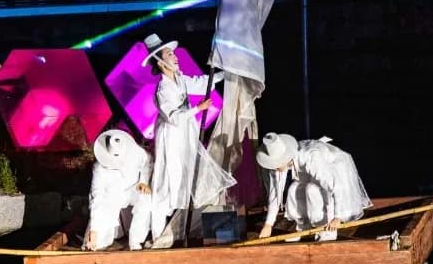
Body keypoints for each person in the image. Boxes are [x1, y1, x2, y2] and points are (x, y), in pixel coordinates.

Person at [142, 34, 236, 248]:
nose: (175, 57)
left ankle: (183, 228)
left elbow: (204, 83)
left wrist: (226, 74)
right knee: (168, 182)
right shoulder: (163, 89)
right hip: (173, 137)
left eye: (174, 53)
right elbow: (173, 117)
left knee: (189, 177)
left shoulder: (180, 79)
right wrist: (197, 108)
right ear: (160, 61)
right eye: (170, 54)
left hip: (186, 135)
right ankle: (158, 236)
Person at [256, 133, 372, 242]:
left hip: (333, 169)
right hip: (308, 172)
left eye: (276, 164)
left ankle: (325, 229)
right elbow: (275, 193)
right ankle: (304, 226)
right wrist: (268, 225)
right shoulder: (278, 166)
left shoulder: (311, 157)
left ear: (286, 158)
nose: (274, 168)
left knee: (312, 190)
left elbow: (335, 186)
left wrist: (337, 217)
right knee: (293, 188)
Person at [83, 129, 153, 251]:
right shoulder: (99, 169)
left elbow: (147, 161)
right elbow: (97, 197)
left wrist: (143, 181)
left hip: (133, 190)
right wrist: (94, 230)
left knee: (146, 199)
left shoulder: (137, 153)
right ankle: (98, 238)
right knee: (96, 242)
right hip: (112, 196)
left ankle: (136, 240)